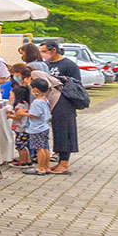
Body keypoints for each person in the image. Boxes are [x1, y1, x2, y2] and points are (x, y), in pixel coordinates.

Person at [39, 40, 81, 173]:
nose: (43, 54)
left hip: (65, 101)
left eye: (45, 51)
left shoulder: (69, 65)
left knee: (65, 132)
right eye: (41, 52)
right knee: (56, 132)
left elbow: (76, 84)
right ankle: (58, 161)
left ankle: (64, 163)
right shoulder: (45, 65)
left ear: (54, 50)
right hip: (49, 101)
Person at [16, 77, 56, 175]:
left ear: (35, 89)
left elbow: (35, 115)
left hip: (37, 128)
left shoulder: (37, 102)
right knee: (44, 148)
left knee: (39, 148)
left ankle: (40, 168)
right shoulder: (45, 100)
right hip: (44, 126)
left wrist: (23, 113)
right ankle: (46, 167)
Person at [6, 64, 35, 166]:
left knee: (20, 145)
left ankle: (22, 161)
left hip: (21, 128)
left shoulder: (20, 105)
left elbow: (19, 116)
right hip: (25, 127)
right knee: (23, 145)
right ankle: (27, 160)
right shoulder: (26, 103)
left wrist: (9, 116)